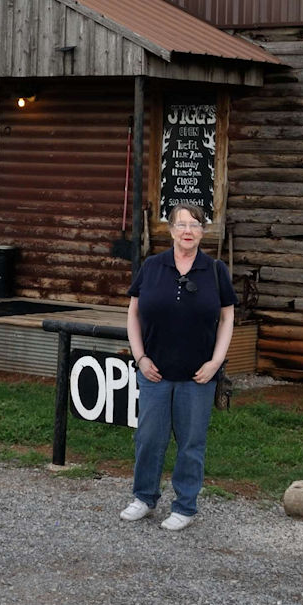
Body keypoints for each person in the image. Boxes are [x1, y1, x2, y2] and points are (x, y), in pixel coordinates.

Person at [119, 202, 236, 531]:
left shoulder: (215, 271)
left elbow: (228, 317)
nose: (188, 231)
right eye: (182, 225)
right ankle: (144, 497)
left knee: (191, 442)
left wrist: (216, 362)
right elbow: (133, 312)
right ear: (170, 230)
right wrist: (140, 358)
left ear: (203, 232)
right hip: (155, 371)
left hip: (198, 376)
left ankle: (185, 505)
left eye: (195, 225)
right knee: (148, 438)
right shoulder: (152, 267)